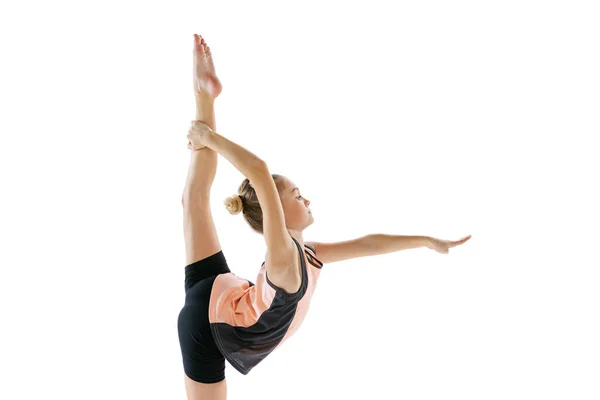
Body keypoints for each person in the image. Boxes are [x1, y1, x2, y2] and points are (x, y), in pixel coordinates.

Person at [178, 33, 471, 400]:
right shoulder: (283, 258)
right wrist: (210, 138)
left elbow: (368, 244)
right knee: (194, 200)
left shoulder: (306, 254)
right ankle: (204, 101)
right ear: (276, 212)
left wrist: (427, 241)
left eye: (300, 194)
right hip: (206, 328)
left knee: (193, 199)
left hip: (221, 293)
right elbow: (260, 170)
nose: (307, 199)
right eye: (298, 196)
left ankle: (204, 94)